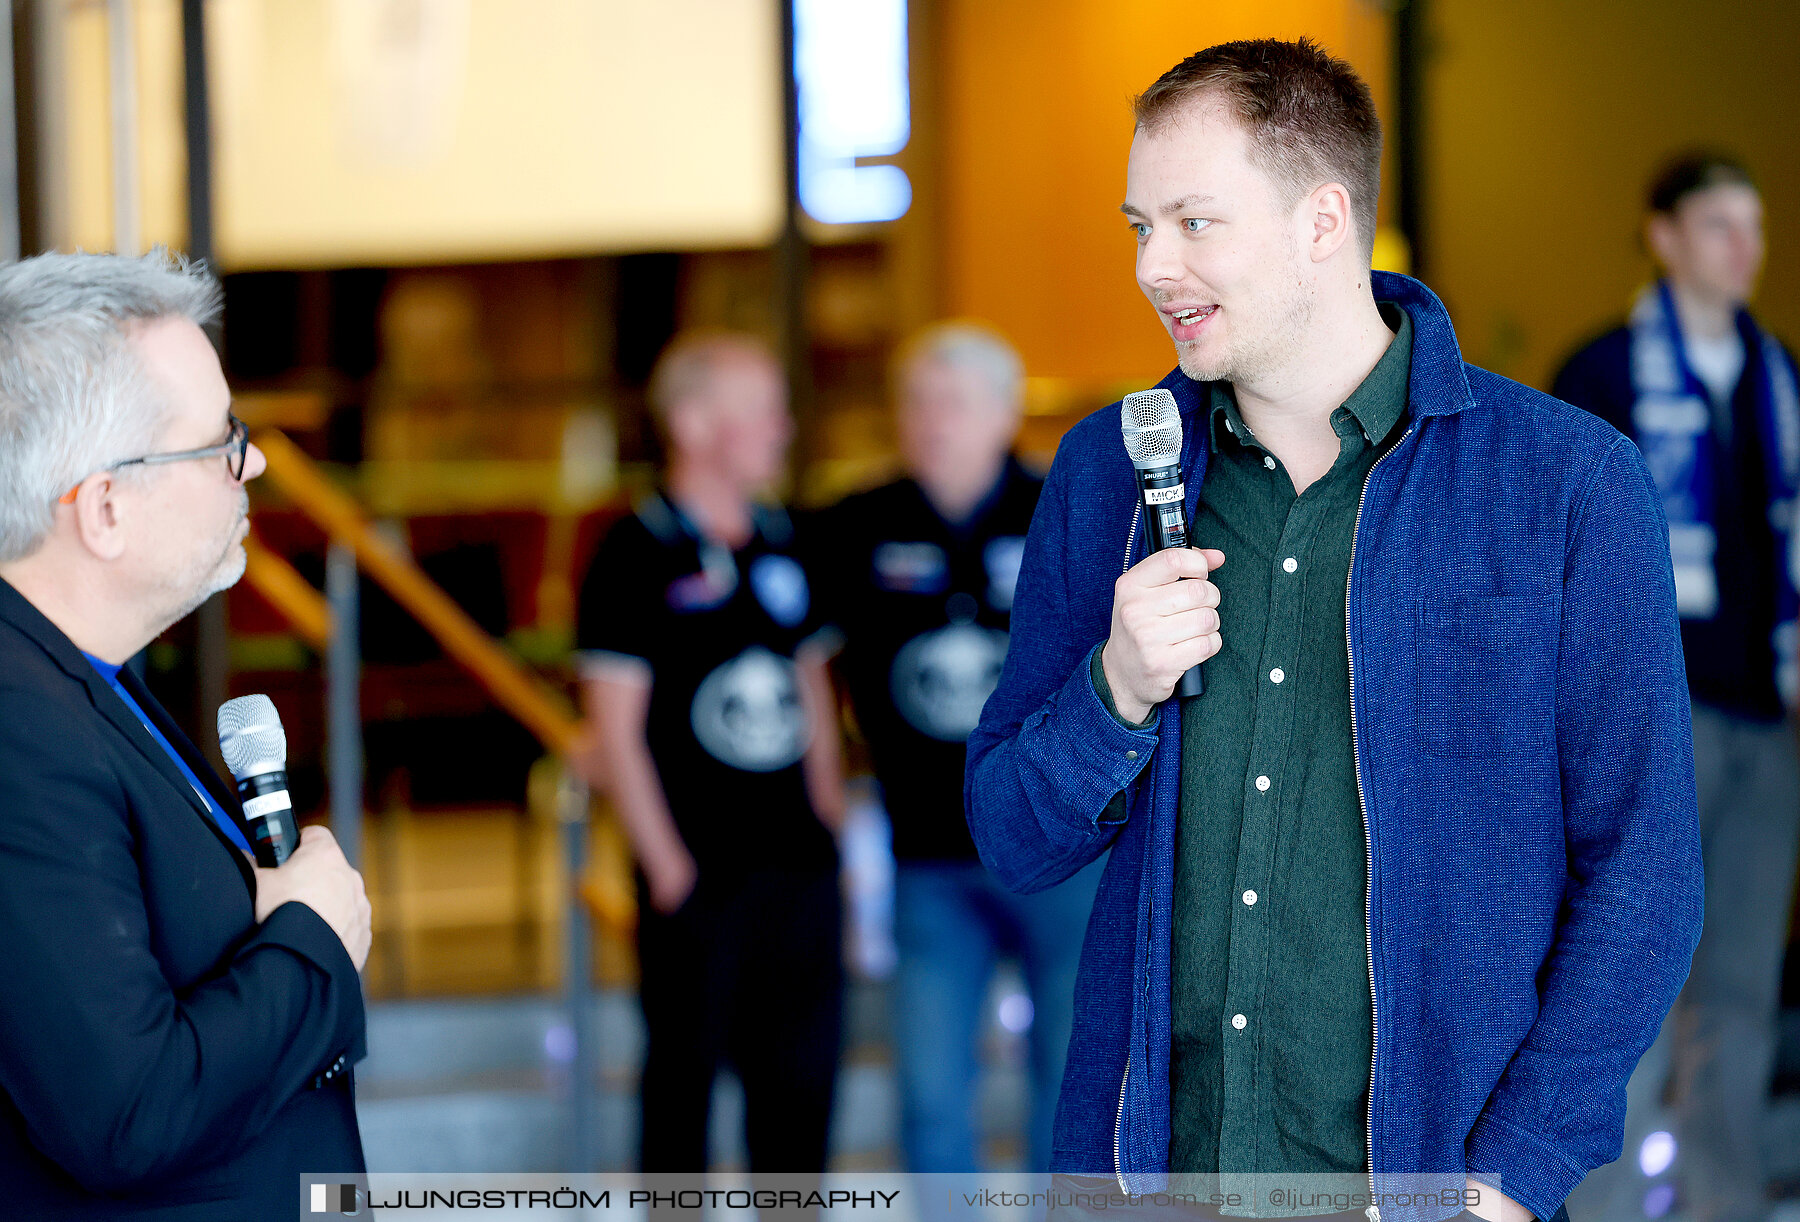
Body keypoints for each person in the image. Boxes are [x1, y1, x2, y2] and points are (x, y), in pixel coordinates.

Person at [965, 38, 1703, 1222]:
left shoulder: (1566, 483)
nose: (1156, 266)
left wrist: (1512, 1176)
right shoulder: (1106, 472)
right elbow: (1010, 832)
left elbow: (1646, 871)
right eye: (1139, 225)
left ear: (1323, 219)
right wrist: (1114, 689)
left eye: (1196, 222)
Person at [0, 250, 372, 1219]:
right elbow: (128, 1112)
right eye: (220, 440)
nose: (250, 461)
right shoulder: (17, 731)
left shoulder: (84, 677)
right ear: (107, 507)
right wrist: (309, 938)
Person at [1553, 155, 1798, 1222]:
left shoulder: (1781, 378)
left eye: (1755, 224)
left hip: (1768, 719)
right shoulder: (1602, 374)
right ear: (1662, 237)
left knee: (1740, 991)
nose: (1745, 246)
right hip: (1654, 720)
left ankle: (1723, 1206)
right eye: (1717, 224)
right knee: (1629, 980)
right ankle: (1600, 1206)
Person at [812, 322, 1099, 1172]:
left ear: (1005, 413)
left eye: (955, 403)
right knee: (931, 1095)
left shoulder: (1069, 509)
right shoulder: (853, 525)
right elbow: (800, 661)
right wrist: (830, 782)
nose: (932, 420)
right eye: (917, 402)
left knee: (1071, 1088)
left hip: (1064, 854)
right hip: (928, 856)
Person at [576, 331, 846, 1172]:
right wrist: (666, 869)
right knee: (683, 1091)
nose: (783, 429)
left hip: (798, 868)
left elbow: (813, 689)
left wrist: (832, 825)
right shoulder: (632, 550)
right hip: (699, 873)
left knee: (800, 1094)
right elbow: (612, 731)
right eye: (762, 411)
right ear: (694, 424)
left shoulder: (784, 537)